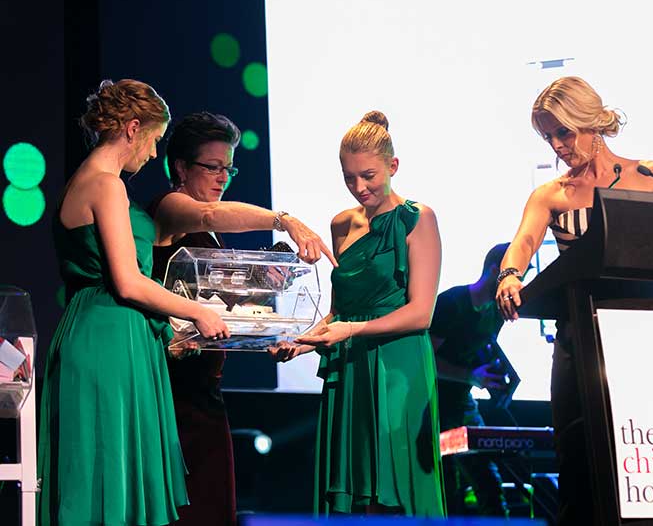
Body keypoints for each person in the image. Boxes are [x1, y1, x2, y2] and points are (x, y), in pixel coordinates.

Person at [37, 79, 230, 525]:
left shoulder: (77, 182)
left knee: (97, 473)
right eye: (154, 140)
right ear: (132, 128)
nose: (153, 153)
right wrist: (197, 311)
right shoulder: (107, 185)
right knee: (108, 478)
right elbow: (127, 282)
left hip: (96, 332)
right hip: (110, 341)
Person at [495, 76, 653, 525]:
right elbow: (523, 243)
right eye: (548, 137)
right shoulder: (551, 194)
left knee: (644, 458)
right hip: (579, 338)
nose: (557, 145)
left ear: (591, 122)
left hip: (641, 336)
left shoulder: (650, 176)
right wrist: (510, 275)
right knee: (577, 458)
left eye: (564, 132)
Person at [147, 111, 335, 526]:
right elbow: (209, 216)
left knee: (212, 506)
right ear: (181, 167)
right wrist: (284, 221)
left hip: (203, 387)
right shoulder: (170, 207)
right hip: (172, 388)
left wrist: (268, 306)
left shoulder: (209, 234)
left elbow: (216, 308)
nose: (223, 178)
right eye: (212, 167)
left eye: (228, 169)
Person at [277, 110, 445, 517]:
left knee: (398, 486)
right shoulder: (341, 224)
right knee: (355, 492)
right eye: (349, 177)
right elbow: (339, 312)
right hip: (351, 367)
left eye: (368, 176)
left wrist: (350, 330)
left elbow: (421, 314)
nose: (359, 187)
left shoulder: (417, 219)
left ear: (393, 166)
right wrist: (301, 343)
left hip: (399, 367)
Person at [429, 243, 514, 517]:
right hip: (430, 404)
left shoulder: (494, 313)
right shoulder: (452, 303)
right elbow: (426, 360)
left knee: (488, 482)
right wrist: (471, 376)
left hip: (461, 403)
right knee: (444, 485)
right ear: (495, 270)